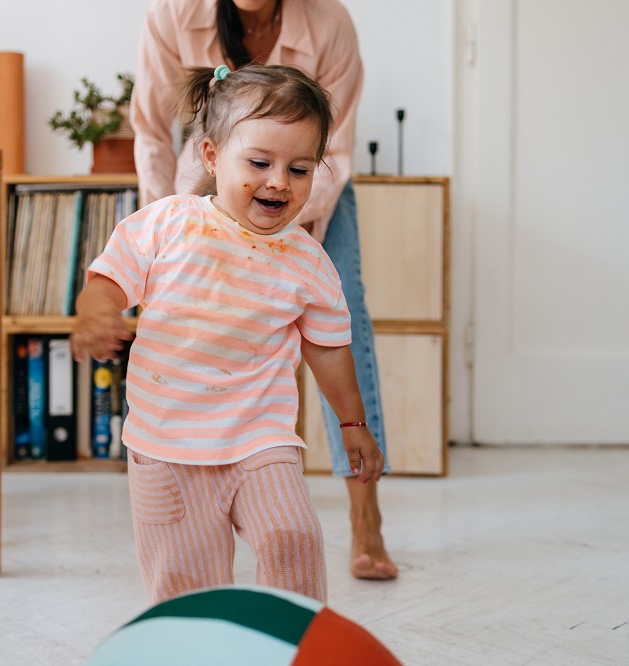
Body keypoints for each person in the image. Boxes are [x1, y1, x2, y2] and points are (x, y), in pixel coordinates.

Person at [71, 64, 384, 605]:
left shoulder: (308, 261)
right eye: (260, 163)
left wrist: (353, 422)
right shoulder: (168, 223)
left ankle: (292, 642)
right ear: (213, 156)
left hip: (261, 440)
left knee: (294, 536)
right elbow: (109, 278)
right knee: (188, 585)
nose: (279, 182)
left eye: (301, 168)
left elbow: (328, 349)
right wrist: (94, 311)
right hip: (167, 447)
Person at [132, 0, 399, 581]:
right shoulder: (175, 14)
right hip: (209, 180)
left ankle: (365, 509)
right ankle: (201, 473)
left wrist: (281, 240)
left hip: (311, 185)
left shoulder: (330, 24)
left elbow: (334, 154)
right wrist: (168, 229)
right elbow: (151, 129)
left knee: (339, 309)